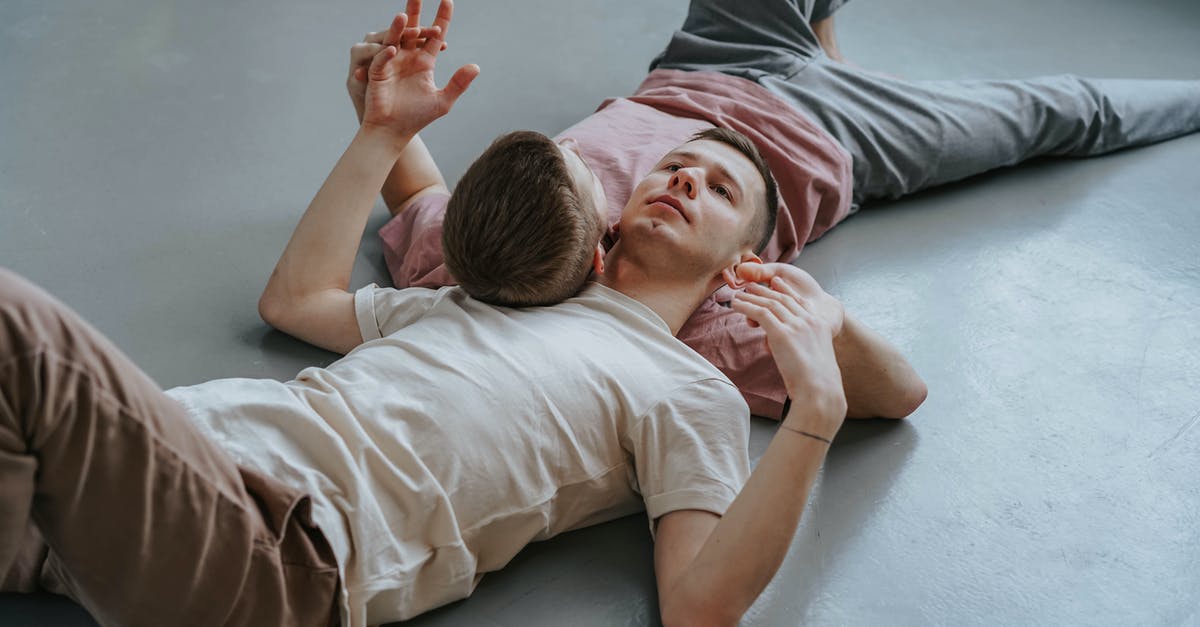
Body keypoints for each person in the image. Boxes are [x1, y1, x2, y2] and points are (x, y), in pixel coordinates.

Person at [3, 6, 857, 626]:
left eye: (718, 188)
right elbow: (296, 302)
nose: (684, 182)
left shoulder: (688, 390)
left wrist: (815, 414)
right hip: (156, 474)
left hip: (283, 542)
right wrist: (380, 130)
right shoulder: (484, 291)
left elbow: (701, 606)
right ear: (608, 219)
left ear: (742, 267)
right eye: (674, 166)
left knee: (16, 332)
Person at [357, 0, 1200, 420]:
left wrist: (379, 109)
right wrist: (808, 308)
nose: (677, 187)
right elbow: (898, 392)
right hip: (847, 137)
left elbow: (421, 194)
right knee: (1061, 114)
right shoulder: (700, 326)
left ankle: (820, 31)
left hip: (709, 62)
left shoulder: (483, 258)